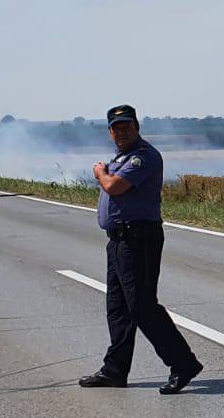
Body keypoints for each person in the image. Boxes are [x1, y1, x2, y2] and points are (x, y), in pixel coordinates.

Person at [78, 105, 203, 394]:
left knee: (142, 306)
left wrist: (99, 173)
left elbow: (115, 187)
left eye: (127, 126)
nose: (122, 131)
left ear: (137, 127)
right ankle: (115, 370)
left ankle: (183, 364)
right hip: (119, 240)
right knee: (118, 309)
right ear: (110, 132)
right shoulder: (122, 157)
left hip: (139, 239)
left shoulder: (142, 157)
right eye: (116, 127)